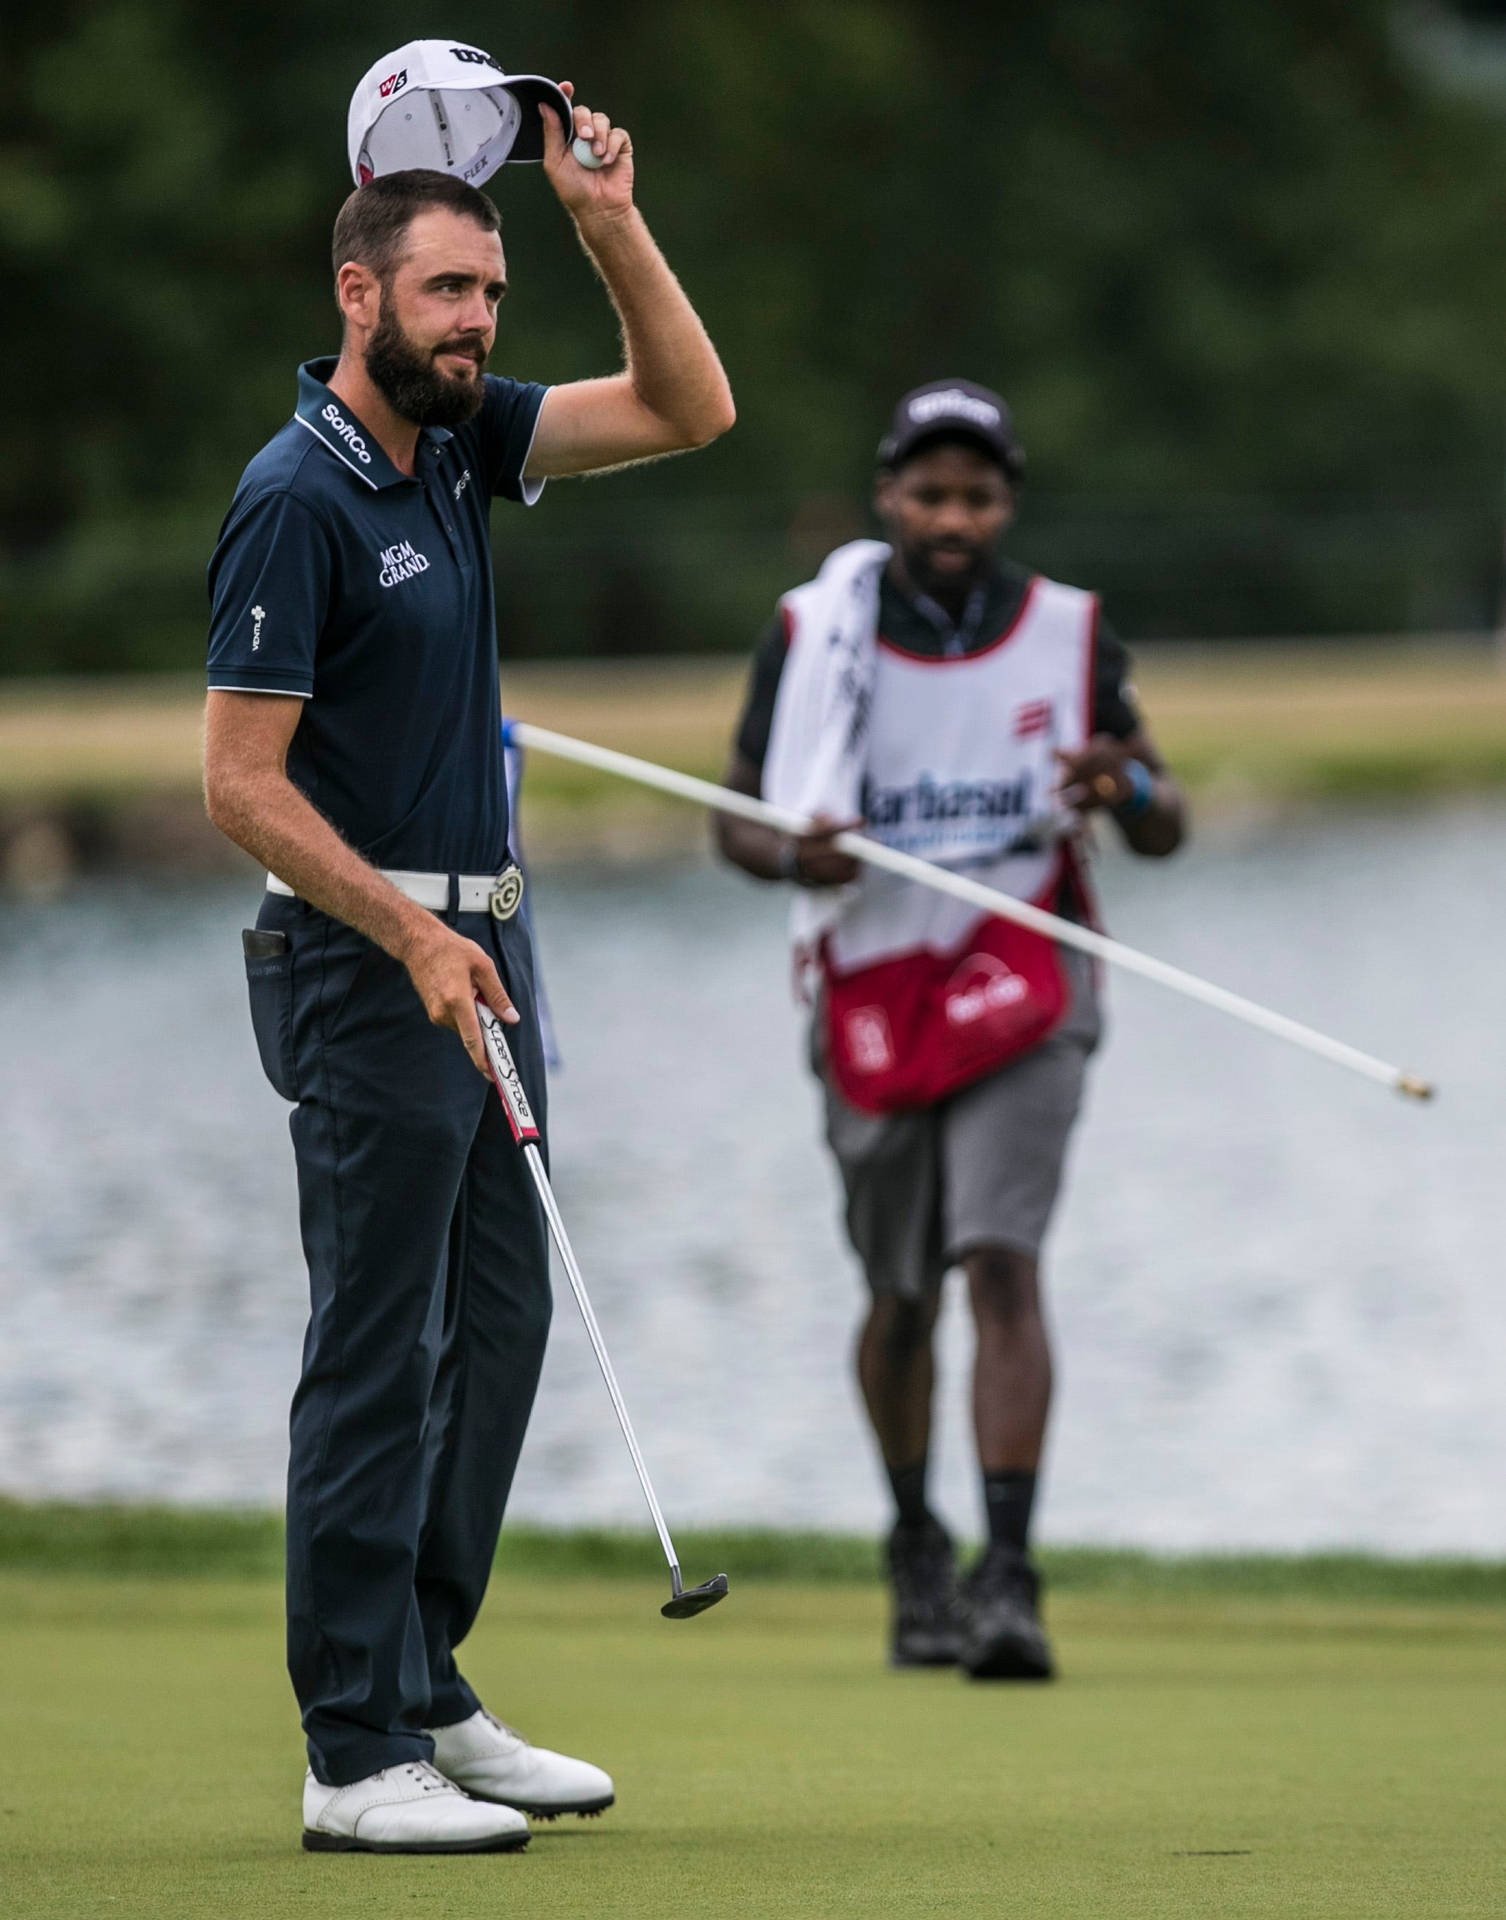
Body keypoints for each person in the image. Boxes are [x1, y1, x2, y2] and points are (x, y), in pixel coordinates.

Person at [203, 87, 733, 1852]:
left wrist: (602, 220)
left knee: (495, 1329)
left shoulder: (456, 442)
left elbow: (687, 407)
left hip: (480, 952)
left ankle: (427, 1684)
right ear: (358, 293)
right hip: (370, 971)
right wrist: (414, 928)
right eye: (445, 295)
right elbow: (237, 784)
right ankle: (350, 1752)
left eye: (491, 297)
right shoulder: (299, 495)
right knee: (377, 1345)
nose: (476, 327)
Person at [715, 381, 1184, 1680]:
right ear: (888, 497)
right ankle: (916, 1543)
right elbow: (733, 821)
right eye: (928, 492)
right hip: (867, 984)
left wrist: (1126, 784)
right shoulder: (815, 634)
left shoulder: (1068, 632)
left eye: (975, 494)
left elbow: (1161, 817)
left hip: (1026, 969)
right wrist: (793, 858)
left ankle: (1008, 1576)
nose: (951, 516)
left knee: (1000, 1261)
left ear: (1006, 502)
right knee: (902, 1295)